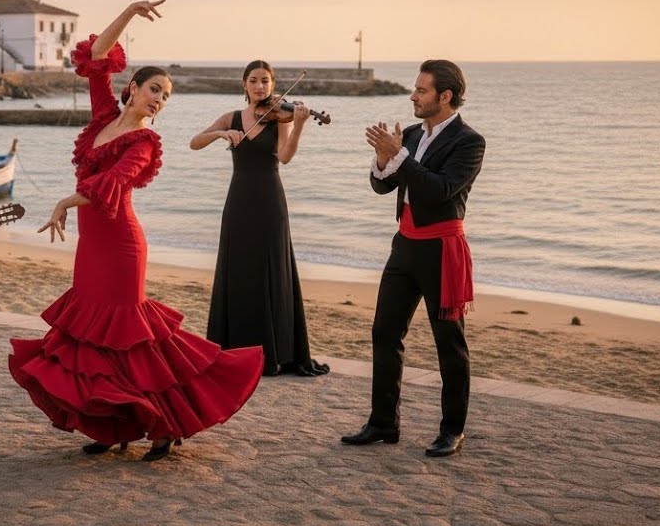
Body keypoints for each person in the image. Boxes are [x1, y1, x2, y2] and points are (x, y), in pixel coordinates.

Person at [8, 0, 264, 462]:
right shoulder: (104, 117)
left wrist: (67, 199)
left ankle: (162, 424)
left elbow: (110, 186)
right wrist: (128, 12)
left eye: (166, 96)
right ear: (134, 88)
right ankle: (115, 424)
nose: (159, 100)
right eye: (154, 89)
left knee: (130, 336)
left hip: (122, 245)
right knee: (93, 338)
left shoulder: (145, 142)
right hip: (93, 246)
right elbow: (94, 62)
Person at [340, 60, 485, 458]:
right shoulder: (411, 133)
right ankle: (384, 423)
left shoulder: (470, 142)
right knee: (385, 333)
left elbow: (440, 191)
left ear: (445, 96)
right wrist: (383, 159)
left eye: (421, 90)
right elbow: (383, 186)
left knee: (448, 344)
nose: (413, 96)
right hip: (403, 247)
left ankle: (452, 430)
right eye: (415, 89)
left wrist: (399, 157)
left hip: (441, 251)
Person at [190, 60, 331, 377]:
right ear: (244, 84)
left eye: (265, 81)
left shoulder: (282, 118)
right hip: (238, 200)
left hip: (270, 200)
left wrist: (300, 127)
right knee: (238, 268)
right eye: (253, 80)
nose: (259, 86)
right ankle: (236, 349)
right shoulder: (233, 117)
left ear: (271, 84)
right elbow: (194, 142)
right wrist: (220, 133)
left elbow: (285, 156)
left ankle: (274, 353)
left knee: (271, 270)